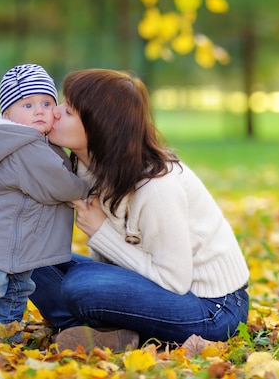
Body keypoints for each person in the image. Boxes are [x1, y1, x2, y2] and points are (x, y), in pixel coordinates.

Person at [29, 68, 250, 352]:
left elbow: (173, 280)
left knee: (81, 286)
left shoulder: (157, 187)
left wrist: (101, 231)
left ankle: (100, 330)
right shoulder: (92, 171)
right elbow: (114, 270)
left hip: (213, 308)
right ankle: (105, 334)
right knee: (32, 255)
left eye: (69, 111)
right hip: (164, 293)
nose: (54, 112)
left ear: (100, 128)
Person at [0, 64, 89, 343]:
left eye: (47, 103)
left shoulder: (28, 140)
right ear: (7, 114)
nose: (39, 110)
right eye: (27, 104)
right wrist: (88, 187)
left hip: (13, 239)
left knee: (18, 287)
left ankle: (8, 334)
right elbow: (59, 185)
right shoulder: (25, 146)